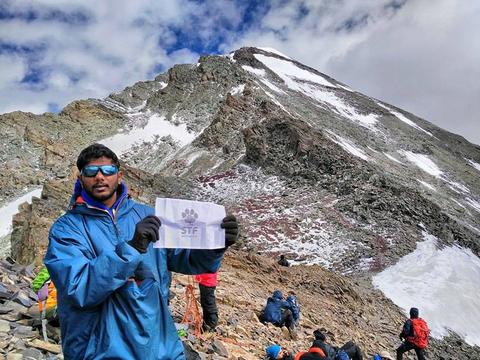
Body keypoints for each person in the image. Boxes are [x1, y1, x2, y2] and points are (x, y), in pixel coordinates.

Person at [44, 143, 239, 359]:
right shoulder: (66, 229)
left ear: (119, 176)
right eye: (91, 172)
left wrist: (216, 244)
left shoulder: (149, 216)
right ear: (81, 179)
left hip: (156, 342)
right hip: (99, 346)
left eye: (107, 171)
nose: (100, 177)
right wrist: (131, 249)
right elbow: (77, 288)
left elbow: (188, 261)